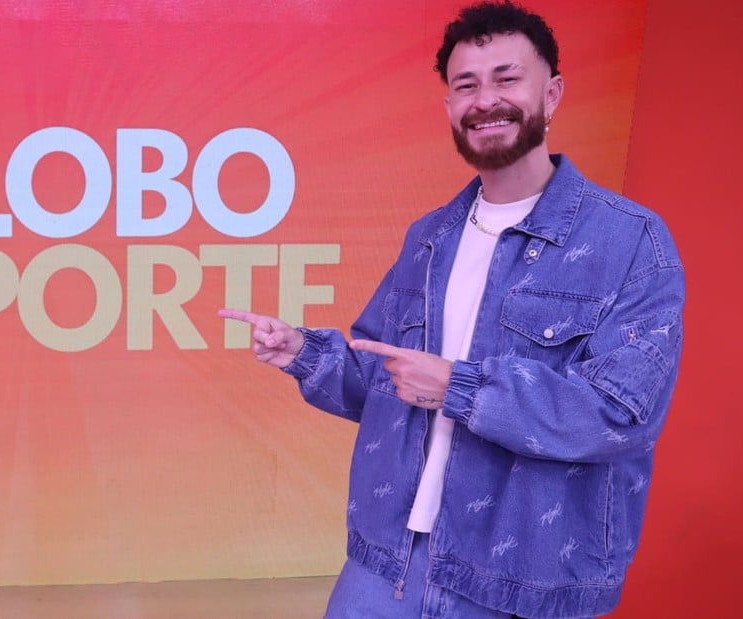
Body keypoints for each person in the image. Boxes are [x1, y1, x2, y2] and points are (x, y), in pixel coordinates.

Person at [220, 1, 684, 617]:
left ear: (552, 93)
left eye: (506, 78)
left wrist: (460, 388)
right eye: (466, 85)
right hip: (388, 563)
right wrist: (305, 353)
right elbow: (384, 381)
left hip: (522, 580)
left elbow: (621, 415)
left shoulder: (631, 241)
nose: (485, 99)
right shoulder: (429, 237)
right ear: (449, 110)